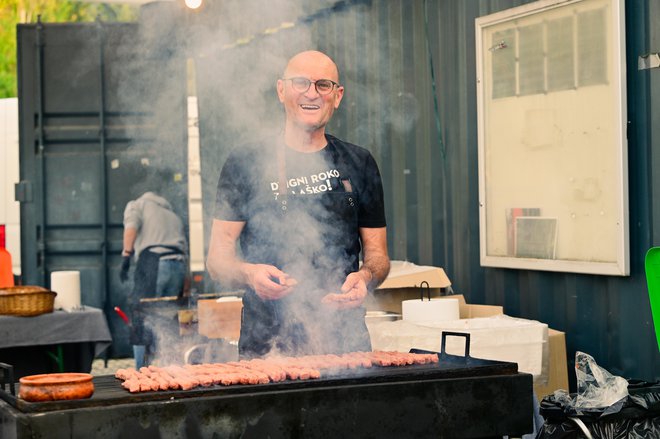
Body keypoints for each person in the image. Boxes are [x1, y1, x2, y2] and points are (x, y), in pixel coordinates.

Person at [206, 50, 390, 359]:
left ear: (338, 95)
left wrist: (365, 278)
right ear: (281, 90)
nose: (311, 93)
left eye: (323, 85)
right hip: (267, 344)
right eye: (301, 83)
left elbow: (378, 256)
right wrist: (250, 273)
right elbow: (217, 259)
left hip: (344, 343)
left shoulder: (360, 163)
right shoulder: (246, 162)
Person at [120, 190, 188, 368]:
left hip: (154, 263)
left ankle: (142, 370)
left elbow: (131, 227)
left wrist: (126, 254)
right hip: (178, 266)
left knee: (141, 314)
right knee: (167, 317)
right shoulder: (174, 216)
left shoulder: (138, 205)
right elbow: (184, 248)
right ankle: (167, 366)